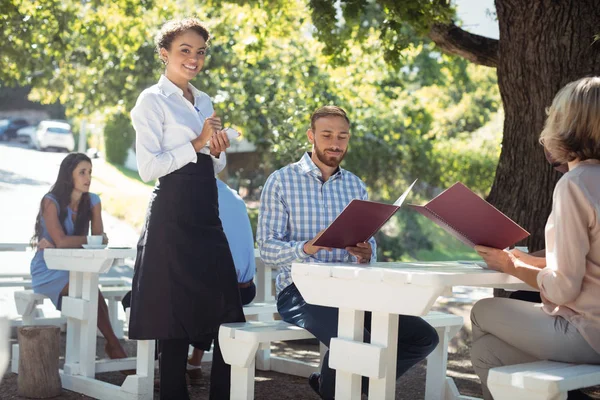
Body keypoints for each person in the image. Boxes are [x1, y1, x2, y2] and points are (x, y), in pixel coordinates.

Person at [257, 105, 439, 399]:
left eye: (342, 136)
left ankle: (330, 385)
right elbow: (267, 249)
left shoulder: (355, 185)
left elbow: (371, 246)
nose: (335, 143)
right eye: (327, 134)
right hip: (300, 291)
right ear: (311, 136)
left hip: (353, 290)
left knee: (422, 337)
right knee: (359, 345)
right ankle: (336, 388)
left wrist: (366, 253)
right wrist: (307, 247)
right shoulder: (281, 181)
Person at [128, 18, 245, 400]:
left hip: (206, 212)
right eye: (185, 50)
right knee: (173, 320)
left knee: (227, 315)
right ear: (164, 54)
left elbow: (213, 166)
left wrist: (216, 149)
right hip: (172, 215)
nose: (194, 59)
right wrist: (197, 142)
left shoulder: (205, 100)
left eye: (200, 52)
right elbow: (149, 169)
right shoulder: (151, 101)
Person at [471, 77, 600, 400]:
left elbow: (563, 288)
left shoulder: (575, 184)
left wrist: (509, 264)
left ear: (566, 125)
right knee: (487, 352)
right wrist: (527, 259)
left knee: (481, 311)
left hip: (588, 334)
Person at [30, 152, 127, 360]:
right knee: (90, 292)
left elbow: (97, 241)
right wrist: (88, 241)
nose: (88, 177)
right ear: (69, 175)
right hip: (49, 269)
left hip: (76, 268)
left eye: (90, 172)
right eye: (82, 172)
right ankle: (113, 345)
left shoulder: (93, 201)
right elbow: (70, 241)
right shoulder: (51, 202)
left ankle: (112, 346)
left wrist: (77, 241)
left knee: (90, 291)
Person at [185, 178, 257, 383]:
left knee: (174, 299)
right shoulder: (234, 196)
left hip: (225, 291)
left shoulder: (196, 196)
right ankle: (194, 364)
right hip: (247, 289)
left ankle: (169, 375)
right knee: (207, 291)